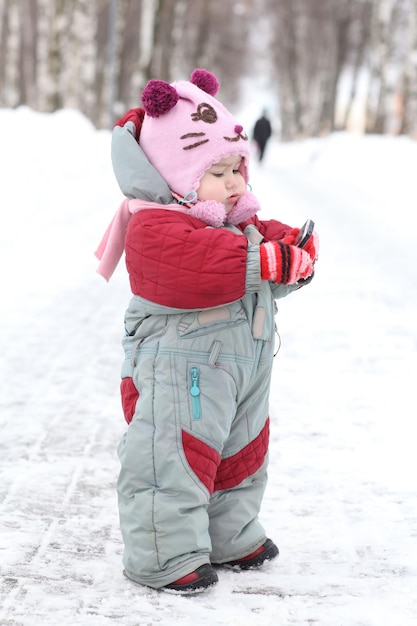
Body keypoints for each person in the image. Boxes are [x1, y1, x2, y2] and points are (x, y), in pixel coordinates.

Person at [95, 69, 318, 594]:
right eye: (219, 172)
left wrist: (292, 255)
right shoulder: (154, 223)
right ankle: (163, 552)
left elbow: (258, 245)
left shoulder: (231, 221)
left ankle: (231, 535)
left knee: (241, 455)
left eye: (238, 168)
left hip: (242, 362)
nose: (237, 182)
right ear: (177, 176)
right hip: (180, 364)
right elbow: (198, 263)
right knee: (173, 456)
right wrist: (261, 261)